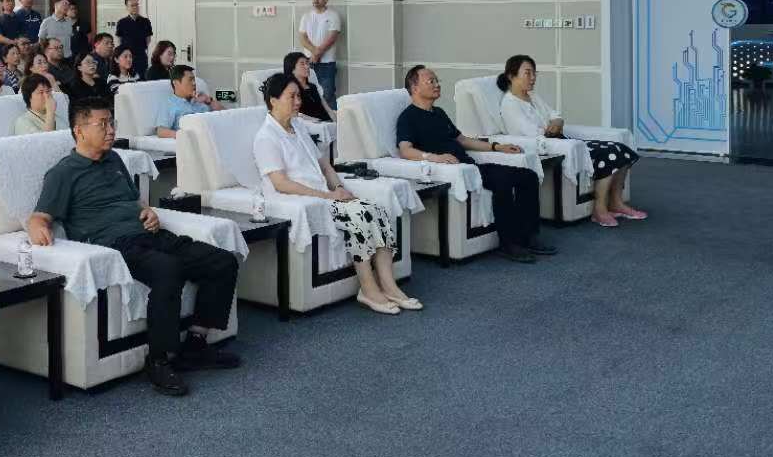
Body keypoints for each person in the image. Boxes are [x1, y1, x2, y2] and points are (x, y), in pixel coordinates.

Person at [29, 98, 241, 396]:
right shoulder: (63, 173)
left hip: (151, 235)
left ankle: (195, 344)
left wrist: (148, 211)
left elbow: (134, 200)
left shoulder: (114, 160)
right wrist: (37, 229)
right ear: (79, 130)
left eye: (112, 123)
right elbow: (39, 217)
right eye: (102, 124)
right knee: (169, 269)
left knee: (222, 261)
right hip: (116, 246)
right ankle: (159, 359)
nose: (111, 130)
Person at [255, 72, 416, 315]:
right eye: (292, 96)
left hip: (324, 195)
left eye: (299, 96)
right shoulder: (266, 137)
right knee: (361, 216)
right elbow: (281, 184)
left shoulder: (297, 127)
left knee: (378, 211)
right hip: (304, 200)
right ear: (273, 100)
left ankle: (389, 286)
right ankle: (368, 289)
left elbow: (324, 164)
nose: (298, 101)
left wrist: (338, 187)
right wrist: (327, 196)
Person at [396, 65, 551, 262]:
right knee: (502, 182)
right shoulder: (408, 117)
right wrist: (435, 157)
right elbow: (405, 150)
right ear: (414, 87)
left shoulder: (439, 113)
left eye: (437, 80)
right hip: (456, 172)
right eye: (431, 81)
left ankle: (529, 236)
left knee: (528, 176)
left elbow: (462, 140)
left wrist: (496, 147)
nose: (437, 85)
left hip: (472, 166)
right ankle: (509, 244)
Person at [496, 54, 644, 228]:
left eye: (534, 73)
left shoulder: (532, 96)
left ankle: (616, 203)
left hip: (563, 140)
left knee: (621, 148)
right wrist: (551, 128)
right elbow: (529, 133)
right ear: (511, 76)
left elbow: (554, 114)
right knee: (608, 153)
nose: (533, 78)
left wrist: (558, 122)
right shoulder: (510, 104)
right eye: (528, 73)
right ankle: (599, 210)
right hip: (550, 147)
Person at [298, 0, 342, 107]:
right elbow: (302, 38)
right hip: (308, 62)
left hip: (327, 63)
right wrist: (315, 53)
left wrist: (317, 54)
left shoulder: (333, 15)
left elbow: (332, 38)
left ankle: (332, 118)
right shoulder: (306, 16)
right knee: (307, 93)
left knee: (328, 94)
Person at [151, 65, 215, 138]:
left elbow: (223, 116)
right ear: (176, 83)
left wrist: (208, 100)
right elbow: (161, 131)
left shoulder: (201, 99)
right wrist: (184, 136)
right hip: (195, 139)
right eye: (190, 80)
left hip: (211, 134)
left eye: (194, 80)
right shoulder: (169, 104)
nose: (194, 83)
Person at [281, 51, 335, 123]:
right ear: (292, 69)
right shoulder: (291, 90)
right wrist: (318, 123)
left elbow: (327, 109)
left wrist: (336, 121)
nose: (307, 66)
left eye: (307, 63)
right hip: (310, 125)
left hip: (327, 123)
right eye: (302, 64)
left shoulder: (313, 87)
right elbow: (293, 114)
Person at [115, 0, 154, 77]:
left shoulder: (145, 21)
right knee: (127, 77)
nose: (135, 7)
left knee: (141, 78)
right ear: (127, 7)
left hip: (141, 56)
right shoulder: (121, 22)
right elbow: (119, 40)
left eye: (136, 5)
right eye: (132, 5)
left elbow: (148, 39)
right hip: (127, 57)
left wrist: (140, 47)